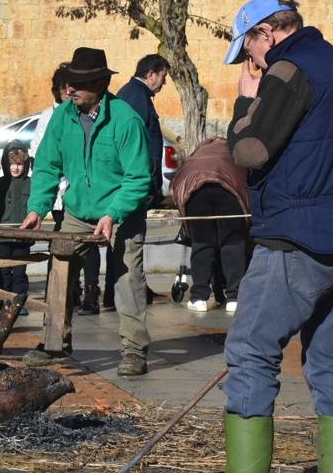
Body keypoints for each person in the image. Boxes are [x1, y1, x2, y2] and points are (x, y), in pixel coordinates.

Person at [184, 0, 333, 473]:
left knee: (251, 348)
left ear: (267, 33)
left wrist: (245, 104)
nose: (250, 60)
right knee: (331, 356)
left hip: (296, 236)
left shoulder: (289, 69)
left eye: (248, 46)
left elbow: (249, 152)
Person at [20, 47, 152, 376]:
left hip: (122, 211)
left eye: (78, 84)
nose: (70, 89)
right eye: (68, 83)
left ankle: (134, 350)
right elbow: (47, 167)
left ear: (100, 83)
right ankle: (54, 343)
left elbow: (139, 178)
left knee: (126, 277)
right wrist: (38, 207)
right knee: (60, 269)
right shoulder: (62, 117)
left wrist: (114, 213)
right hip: (78, 210)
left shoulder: (125, 120)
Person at [79, 53, 169, 315]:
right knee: (127, 247)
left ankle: (116, 295)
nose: (163, 84)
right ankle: (116, 297)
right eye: (162, 77)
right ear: (151, 74)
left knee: (124, 246)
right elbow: (134, 145)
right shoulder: (136, 97)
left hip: (132, 186)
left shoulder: (134, 94)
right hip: (130, 188)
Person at [169, 137, 251, 313]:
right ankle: (234, 297)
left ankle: (199, 297)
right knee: (232, 243)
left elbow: (176, 183)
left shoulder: (197, 154)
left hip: (195, 190)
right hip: (230, 189)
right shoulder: (234, 152)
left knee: (202, 244)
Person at [0, 139, 33, 309]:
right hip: (2, 237)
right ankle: (4, 299)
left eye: (19, 164)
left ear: (25, 164)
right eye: (12, 164)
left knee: (19, 271)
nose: (15, 168)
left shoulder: (31, 184)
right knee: (4, 270)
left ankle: (18, 302)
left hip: (23, 237)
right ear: (5, 163)